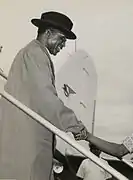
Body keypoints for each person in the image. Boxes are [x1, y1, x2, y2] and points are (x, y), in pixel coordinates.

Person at [0, 11, 87, 180]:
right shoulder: (35, 54)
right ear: (48, 33)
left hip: (24, 142)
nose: (63, 46)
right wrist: (75, 125)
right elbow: (46, 99)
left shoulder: (31, 53)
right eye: (62, 39)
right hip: (27, 144)